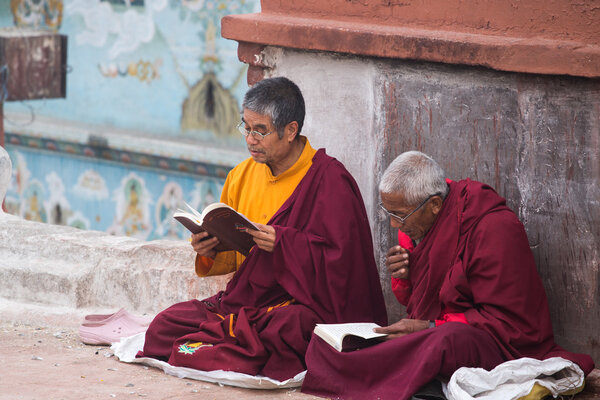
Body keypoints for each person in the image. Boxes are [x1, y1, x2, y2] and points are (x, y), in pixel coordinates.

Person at [137, 77, 387, 381]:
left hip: (296, 307)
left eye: (260, 131)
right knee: (165, 325)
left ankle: (215, 347)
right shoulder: (242, 175)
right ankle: (225, 346)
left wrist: (283, 243)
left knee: (290, 330)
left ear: (291, 130)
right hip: (244, 304)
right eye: (246, 127)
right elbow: (239, 260)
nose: (250, 139)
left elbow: (346, 268)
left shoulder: (329, 180)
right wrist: (209, 250)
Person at [302, 151, 595, 399]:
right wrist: (404, 276)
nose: (394, 225)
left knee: (443, 341)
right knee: (332, 340)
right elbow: (415, 301)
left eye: (400, 215)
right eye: (388, 213)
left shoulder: (494, 228)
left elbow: (506, 321)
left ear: (434, 205)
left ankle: (365, 376)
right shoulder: (419, 225)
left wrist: (428, 326)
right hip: (435, 331)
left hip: (497, 342)